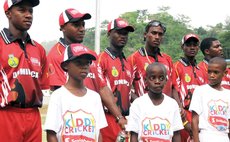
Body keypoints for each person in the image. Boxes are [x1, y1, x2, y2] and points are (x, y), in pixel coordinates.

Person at [47, 8, 126, 129]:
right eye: (76, 25)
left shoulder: (90, 54)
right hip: (72, 122)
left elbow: (103, 88)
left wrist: (119, 117)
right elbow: (60, 94)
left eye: (83, 25)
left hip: (92, 119)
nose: (82, 29)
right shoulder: (56, 54)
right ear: (62, 27)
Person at [0, 0, 49, 142]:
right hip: (6, 115)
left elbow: (43, 85)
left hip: (33, 116)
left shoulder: (38, 49)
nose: (28, 15)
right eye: (22, 10)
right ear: (8, 13)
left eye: (31, 11)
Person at [44, 43, 107, 142]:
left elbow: (98, 133)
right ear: (65, 65)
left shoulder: (95, 97)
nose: (84, 67)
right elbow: (51, 134)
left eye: (87, 63)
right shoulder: (58, 96)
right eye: (78, 62)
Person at [127, 20, 183, 114]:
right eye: (153, 33)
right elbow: (127, 88)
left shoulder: (167, 59)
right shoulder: (134, 59)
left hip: (166, 111)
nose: (157, 37)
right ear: (145, 35)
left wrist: (179, 106)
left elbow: (173, 86)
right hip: (145, 112)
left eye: (160, 34)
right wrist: (143, 106)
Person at [98, 18, 134, 142]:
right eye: (119, 32)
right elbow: (102, 89)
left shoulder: (127, 62)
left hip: (125, 119)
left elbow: (129, 92)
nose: (123, 36)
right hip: (108, 118)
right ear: (109, 33)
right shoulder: (102, 59)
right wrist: (119, 117)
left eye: (125, 33)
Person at [126, 62, 183, 142]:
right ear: (146, 80)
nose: (157, 81)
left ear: (166, 80)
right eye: (153, 78)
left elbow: (176, 134)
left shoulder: (172, 104)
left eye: (161, 78)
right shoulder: (138, 104)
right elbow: (134, 135)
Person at [173, 33, 207, 142]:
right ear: (182, 46)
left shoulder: (201, 69)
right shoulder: (176, 67)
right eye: (188, 45)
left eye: (195, 45)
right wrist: (184, 121)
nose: (192, 47)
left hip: (199, 116)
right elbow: (173, 92)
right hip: (183, 115)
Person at [189, 57, 230, 142]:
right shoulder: (200, 91)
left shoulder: (228, 94)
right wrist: (196, 140)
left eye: (216, 72)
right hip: (206, 136)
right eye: (209, 71)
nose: (211, 75)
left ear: (225, 73)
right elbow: (194, 119)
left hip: (224, 137)